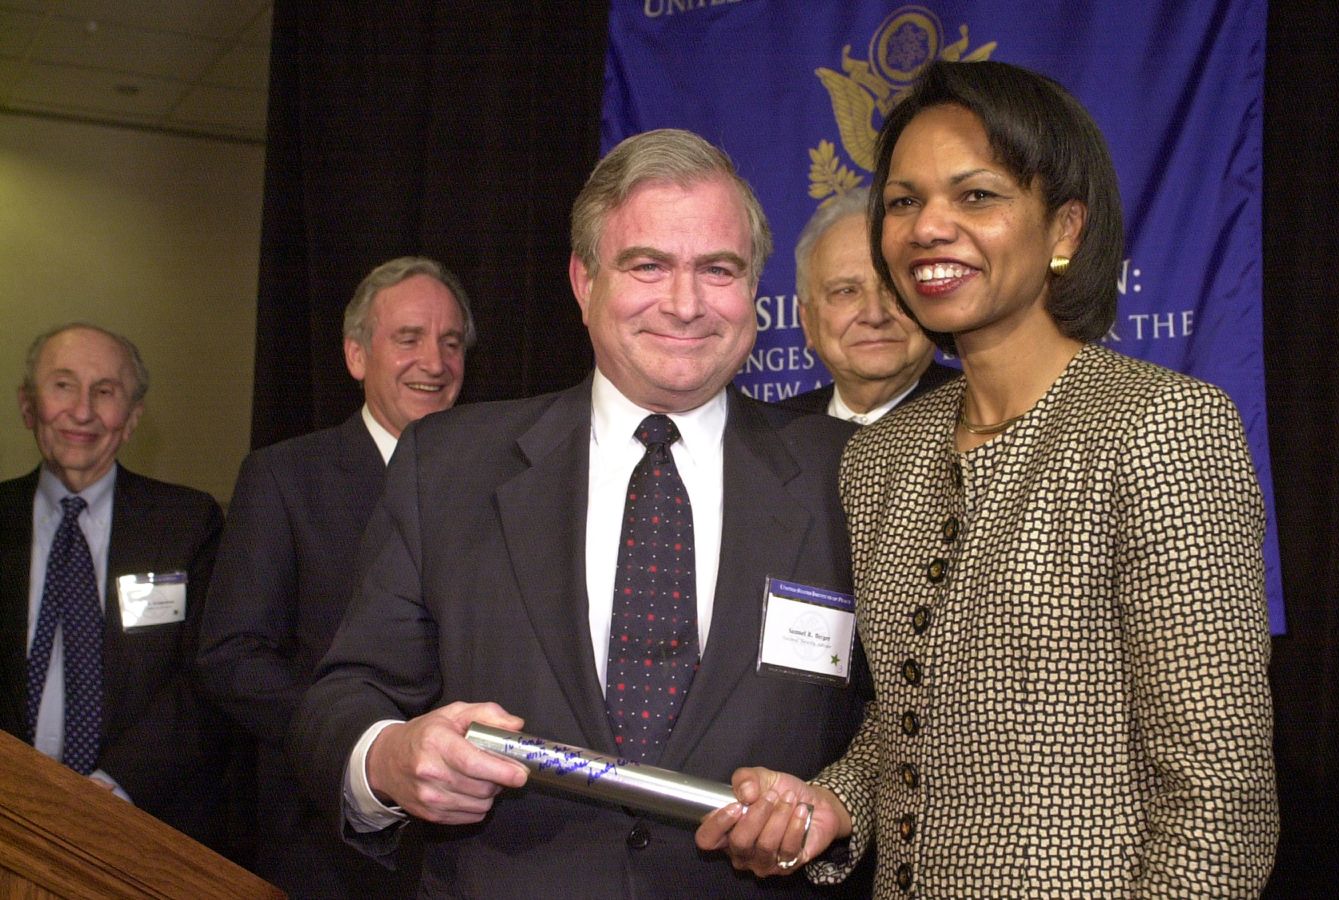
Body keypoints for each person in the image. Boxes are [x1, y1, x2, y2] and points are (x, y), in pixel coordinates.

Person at [696, 60, 1278, 896]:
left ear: (1066, 230)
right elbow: (909, 727)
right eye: (903, 202)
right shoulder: (881, 458)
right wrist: (832, 802)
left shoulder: (1159, 427)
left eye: (977, 196)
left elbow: (1220, 797)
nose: (929, 226)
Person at [288, 129, 866, 897]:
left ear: (756, 288)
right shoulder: (448, 466)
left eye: (718, 270)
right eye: (647, 266)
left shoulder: (852, 473)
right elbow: (343, 696)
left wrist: (831, 810)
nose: (686, 303)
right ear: (582, 280)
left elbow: (905, 730)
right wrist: (388, 758)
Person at [197, 257, 473, 896]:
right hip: (326, 840)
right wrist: (365, 745)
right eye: (408, 338)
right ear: (356, 355)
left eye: (451, 342)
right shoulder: (284, 477)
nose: (434, 362)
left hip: (469, 845)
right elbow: (230, 657)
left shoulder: (493, 484)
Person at [0, 323, 230, 850]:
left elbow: (206, 678)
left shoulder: (188, 523)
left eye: (105, 392)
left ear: (131, 420)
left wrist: (110, 791)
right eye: (62, 385)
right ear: (28, 405)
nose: (82, 412)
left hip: (139, 827)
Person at [784, 189, 958, 424]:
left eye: (893, 288)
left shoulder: (987, 421)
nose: (875, 315)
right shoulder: (774, 436)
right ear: (807, 321)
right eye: (846, 291)